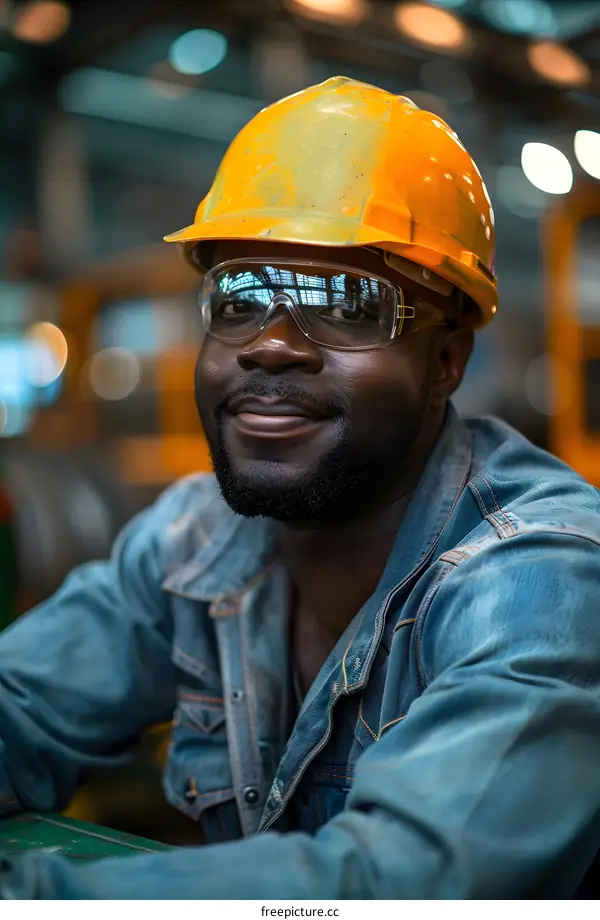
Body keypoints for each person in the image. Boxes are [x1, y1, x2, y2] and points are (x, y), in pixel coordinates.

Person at [1, 75, 600, 900]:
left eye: (350, 304)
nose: (270, 346)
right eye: (241, 299)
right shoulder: (192, 540)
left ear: (447, 361)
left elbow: (400, 886)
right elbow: (19, 709)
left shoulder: (542, 582)